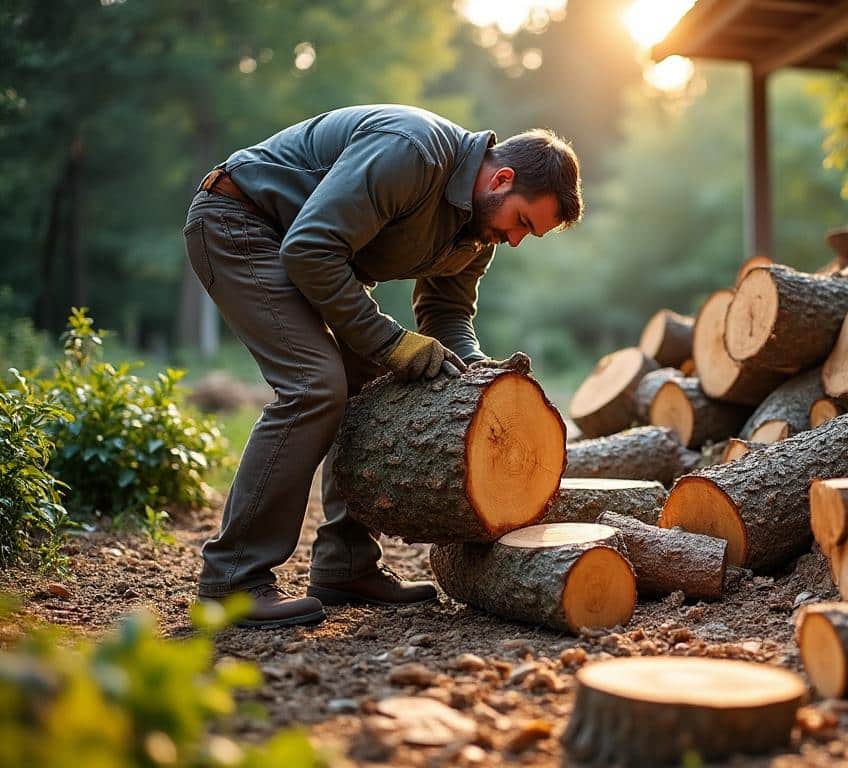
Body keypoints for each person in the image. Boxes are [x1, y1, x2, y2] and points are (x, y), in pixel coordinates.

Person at [183, 105, 583, 628]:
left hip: (309, 254)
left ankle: (346, 566)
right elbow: (309, 249)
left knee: (370, 386)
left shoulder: (476, 232)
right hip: (240, 223)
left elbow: (446, 314)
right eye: (522, 222)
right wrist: (392, 342)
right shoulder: (412, 151)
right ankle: (232, 581)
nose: (513, 240)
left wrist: (480, 375)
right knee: (314, 386)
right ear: (502, 179)